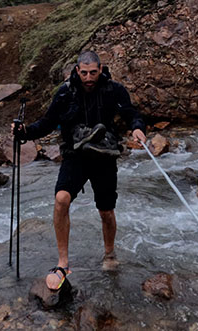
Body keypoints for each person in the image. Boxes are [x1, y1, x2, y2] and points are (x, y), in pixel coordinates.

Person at [14, 50, 146, 290]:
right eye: (84, 73)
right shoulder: (65, 93)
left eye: (93, 73)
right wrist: (25, 133)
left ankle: (109, 254)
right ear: (77, 71)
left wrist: (137, 128)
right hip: (76, 154)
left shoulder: (114, 90)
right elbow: (47, 123)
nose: (88, 78)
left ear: (100, 69)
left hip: (105, 155)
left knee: (106, 211)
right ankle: (63, 261)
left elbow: (131, 114)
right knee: (61, 199)